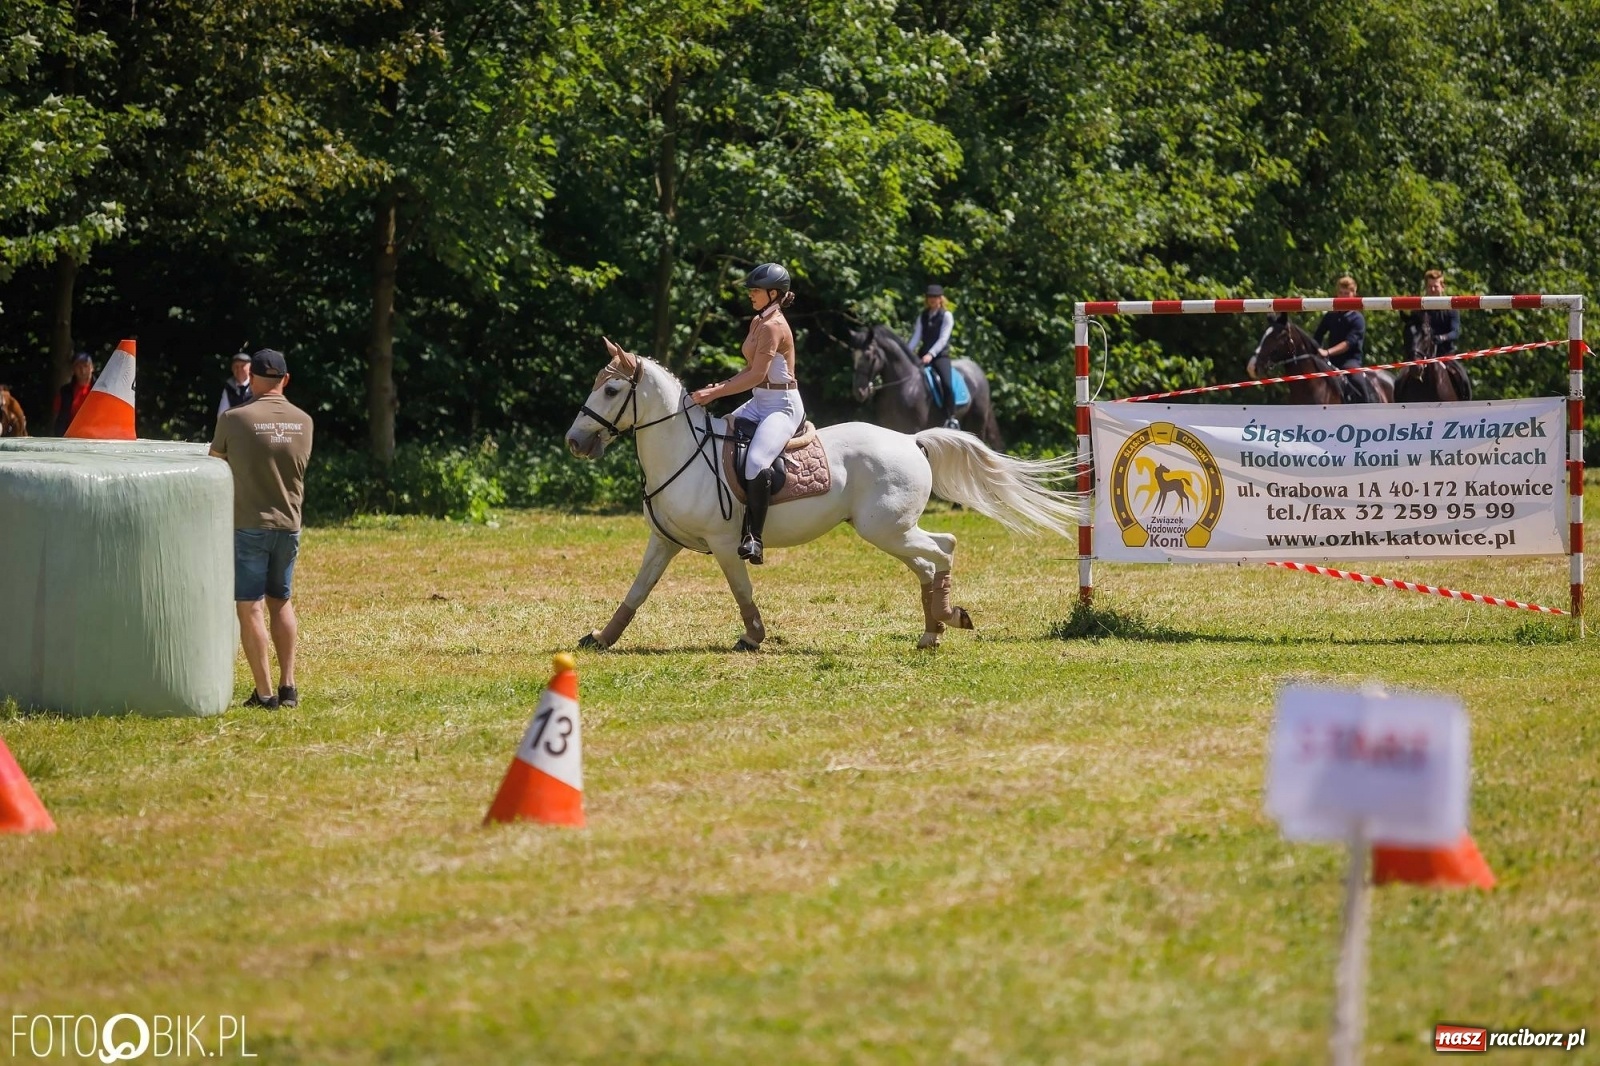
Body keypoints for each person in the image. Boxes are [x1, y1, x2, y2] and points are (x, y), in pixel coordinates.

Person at [209, 349, 314, 710]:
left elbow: (214, 470)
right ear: (285, 380)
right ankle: (289, 688)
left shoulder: (233, 419)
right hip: (289, 525)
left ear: (251, 377)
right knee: (281, 602)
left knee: (250, 607)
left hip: (247, 526)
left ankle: (265, 693)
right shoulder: (305, 421)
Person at [690, 262, 804, 565]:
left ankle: (754, 537)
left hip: (782, 406)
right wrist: (722, 385)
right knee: (720, 431)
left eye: (755, 290)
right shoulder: (758, 322)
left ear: (773, 293)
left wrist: (714, 393)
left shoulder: (773, 327)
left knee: (755, 462)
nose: (751, 294)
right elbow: (751, 372)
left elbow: (756, 375)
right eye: (751, 290)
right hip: (759, 400)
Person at [908, 284, 959, 429]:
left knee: (947, 383)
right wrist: (907, 352)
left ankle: (951, 417)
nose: (932, 300)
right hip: (923, 354)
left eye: (935, 297)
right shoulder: (922, 316)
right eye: (930, 297)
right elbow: (916, 337)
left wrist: (931, 354)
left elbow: (943, 339)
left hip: (940, 355)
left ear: (940, 299)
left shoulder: (947, 316)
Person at [1314, 276, 1373, 402]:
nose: (1343, 296)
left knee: (1357, 381)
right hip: (1328, 361)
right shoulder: (1331, 315)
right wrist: (1316, 350)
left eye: (1346, 293)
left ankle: (1367, 409)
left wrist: (1327, 352)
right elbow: (1318, 335)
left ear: (1354, 295)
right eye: (1341, 293)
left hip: (1350, 362)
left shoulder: (1357, 319)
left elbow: (1348, 343)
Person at [52, 352, 94, 435]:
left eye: (86, 366)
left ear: (92, 368)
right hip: (71, 438)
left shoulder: (101, 389)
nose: (82, 370)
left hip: (95, 438)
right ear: (73, 370)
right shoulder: (65, 391)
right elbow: (58, 415)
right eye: (79, 366)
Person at [1422, 269, 1461, 355]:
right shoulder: (1420, 309)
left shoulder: (1451, 308)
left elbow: (1455, 332)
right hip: (1423, 354)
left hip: (1446, 354)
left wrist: (1442, 338)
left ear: (1442, 287)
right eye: (1429, 286)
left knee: (1460, 369)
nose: (1432, 289)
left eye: (1435, 286)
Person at [218, 351, 253, 418]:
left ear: (250, 368)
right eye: (236, 366)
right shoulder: (229, 388)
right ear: (232, 369)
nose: (239, 369)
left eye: (242, 366)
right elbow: (221, 415)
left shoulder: (257, 386)